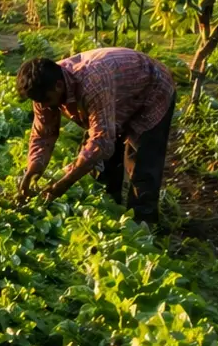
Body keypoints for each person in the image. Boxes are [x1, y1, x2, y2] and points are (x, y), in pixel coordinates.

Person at [14, 48, 176, 224]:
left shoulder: (92, 83)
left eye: (46, 101)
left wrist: (63, 184)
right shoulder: (43, 90)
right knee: (103, 168)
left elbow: (101, 142)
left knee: (141, 165)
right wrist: (33, 170)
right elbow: (43, 135)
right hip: (117, 96)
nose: (44, 106)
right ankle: (111, 212)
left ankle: (144, 226)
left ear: (59, 86)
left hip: (152, 91)